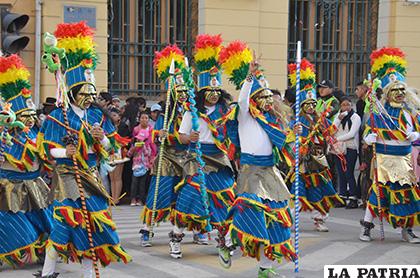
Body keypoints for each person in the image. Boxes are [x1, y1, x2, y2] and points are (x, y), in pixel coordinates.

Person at [37, 21, 131, 278]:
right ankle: (47, 272)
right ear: (73, 91)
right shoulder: (59, 115)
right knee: (64, 223)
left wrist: (101, 140)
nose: (90, 97)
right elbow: (46, 149)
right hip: (68, 175)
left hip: (91, 173)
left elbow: (111, 148)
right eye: (84, 92)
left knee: (95, 223)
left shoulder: (98, 117)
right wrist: (64, 153)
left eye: (92, 92)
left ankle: (91, 273)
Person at [216, 41, 296, 277]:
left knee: (274, 219)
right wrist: (250, 78)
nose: (268, 101)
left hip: (271, 172)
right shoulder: (245, 116)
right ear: (254, 100)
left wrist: (296, 134)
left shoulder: (274, 122)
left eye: (270, 97)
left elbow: (285, 143)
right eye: (263, 97)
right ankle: (228, 244)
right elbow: (241, 101)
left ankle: (264, 268)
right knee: (250, 215)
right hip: (251, 172)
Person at [173, 34, 236, 259]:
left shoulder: (226, 112)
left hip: (218, 157)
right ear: (201, 92)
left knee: (225, 196)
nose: (213, 95)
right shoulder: (192, 111)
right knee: (191, 195)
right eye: (210, 92)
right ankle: (176, 236)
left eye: (217, 92)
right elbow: (180, 137)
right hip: (196, 156)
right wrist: (189, 137)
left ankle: (225, 238)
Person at [359, 47, 420, 244]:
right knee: (378, 194)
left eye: (402, 90)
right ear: (388, 93)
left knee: (406, 196)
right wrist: (369, 139)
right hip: (384, 159)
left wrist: (414, 134)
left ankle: (407, 230)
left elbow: (418, 131)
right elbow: (367, 132)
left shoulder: (410, 113)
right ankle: (366, 228)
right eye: (396, 90)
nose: (400, 94)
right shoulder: (378, 113)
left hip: (404, 160)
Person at [0, 54, 52, 268]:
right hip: (10, 189)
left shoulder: (36, 136)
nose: (30, 119)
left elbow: (48, 158)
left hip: (35, 186)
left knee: (45, 223)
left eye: (32, 115)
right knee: (16, 224)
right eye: (25, 116)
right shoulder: (5, 137)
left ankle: (42, 252)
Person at [139, 45, 189, 248]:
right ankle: (147, 228)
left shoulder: (192, 112)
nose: (183, 95)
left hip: (187, 159)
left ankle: (191, 230)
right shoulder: (165, 113)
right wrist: (170, 136)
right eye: (180, 92)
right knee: (159, 194)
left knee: (188, 196)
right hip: (168, 159)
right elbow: (157, 135)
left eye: (185, 91)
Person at [288, 58, 344, 232]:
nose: (311, 107)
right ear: (302, 106)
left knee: (320, 187)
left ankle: (319, 219)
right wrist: (295, 136)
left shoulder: (321, 119)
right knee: (299, 189)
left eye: (313, 104)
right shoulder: (296, 120)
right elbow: (288, 137)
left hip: (318, 157)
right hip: (302, 159)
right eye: (308, 105)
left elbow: (329, 132)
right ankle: (289, 219)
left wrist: (338, 121)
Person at [333, 97, 361, 209]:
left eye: (348, 105)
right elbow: (332, 129)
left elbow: (352, 134)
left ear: (351, 106)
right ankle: (342, 197)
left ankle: (353, 198)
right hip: (338, 148)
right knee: (340, 173)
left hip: (351, 148)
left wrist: (337, 139)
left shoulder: (355, 117)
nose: (346, 107)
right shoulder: (338, 116)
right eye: (343, 105)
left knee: (349, 172)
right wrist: (338, 119)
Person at [128, 112, 156, 206]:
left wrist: (153, 154)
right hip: (137, 159)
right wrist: (136, 146)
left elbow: (152, 143)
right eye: (142, 118)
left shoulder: (151, 129)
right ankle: (133, 198)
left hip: (147, 158)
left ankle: (141, 199)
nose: (144, 119)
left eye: (146, 118)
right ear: (139, 119)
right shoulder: (136, 129)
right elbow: (133, 142)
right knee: (134, 181)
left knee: (143, 182)